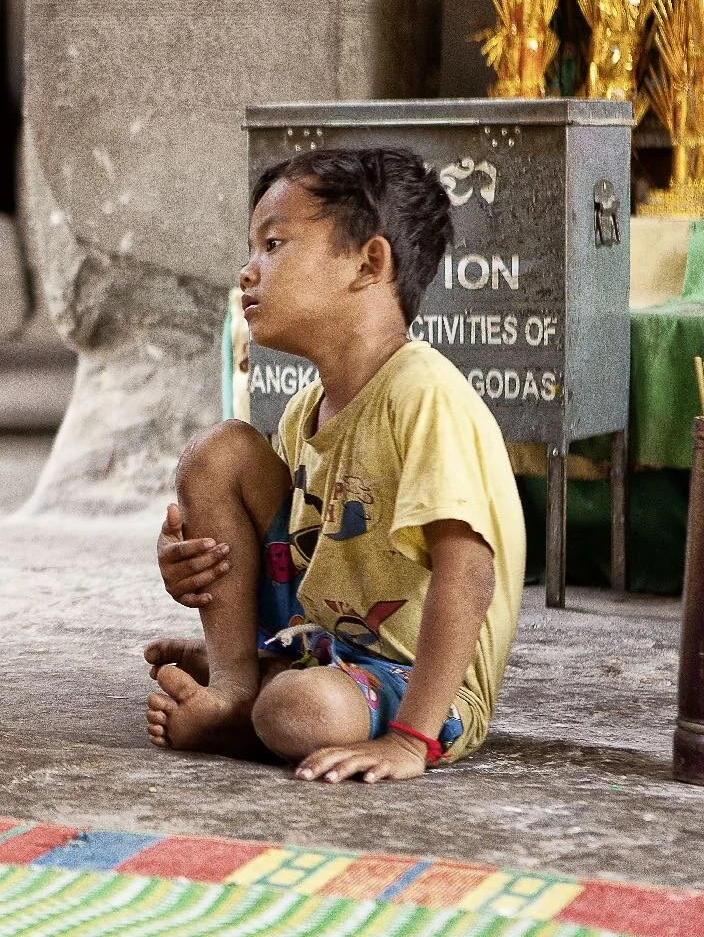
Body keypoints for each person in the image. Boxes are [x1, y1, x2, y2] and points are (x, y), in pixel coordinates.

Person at [143, 147, 523, 783]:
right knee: (219, 453)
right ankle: (238, 683)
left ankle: (254, 710)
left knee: (298, 709)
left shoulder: (425, 395)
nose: (248, 272)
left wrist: (410, 742)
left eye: (274, 244)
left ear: (370, 263)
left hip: (419, 680)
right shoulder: (303, 412)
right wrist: (199, 569)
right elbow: (289, 552)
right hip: (324, 640)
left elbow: (470, 571)